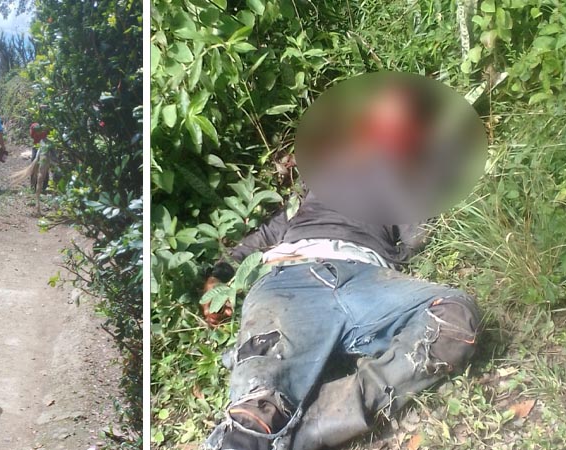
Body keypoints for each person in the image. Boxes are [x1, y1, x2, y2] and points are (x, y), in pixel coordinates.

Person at [202, 80, 482, 450]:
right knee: (257, 410)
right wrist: (216, 281)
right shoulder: (315, 185)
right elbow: (260, 238)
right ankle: (277, 423)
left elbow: (417, 235)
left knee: (455, 317)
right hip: (291, 280)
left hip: (366, 278)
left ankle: (318, 424)